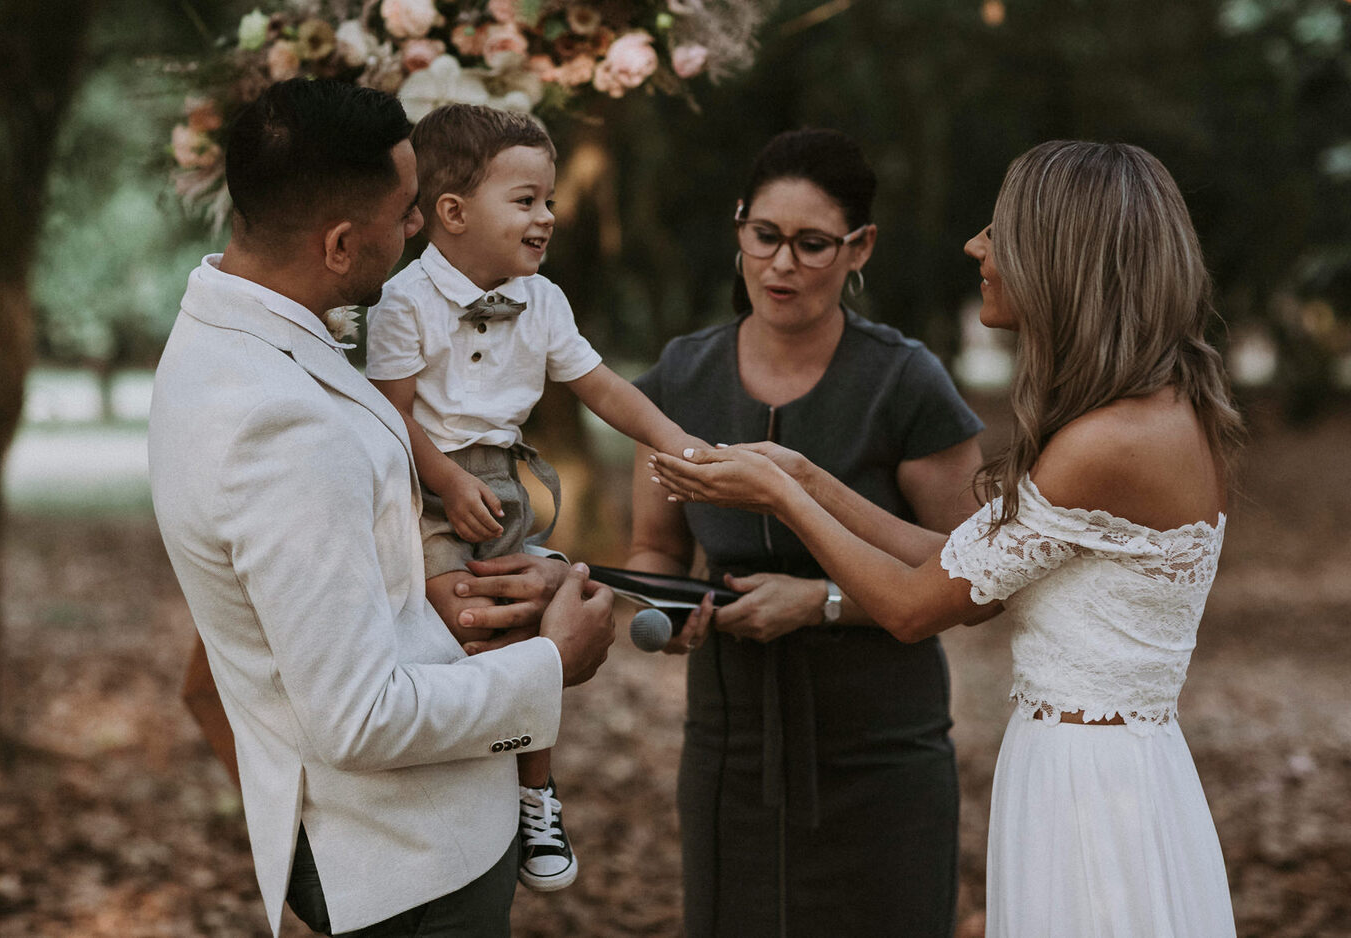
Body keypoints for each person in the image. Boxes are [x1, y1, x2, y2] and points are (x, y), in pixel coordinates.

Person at [651, 140, 1242, 937]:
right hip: (1104, 768)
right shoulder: (1154, 413)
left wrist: (783, 497)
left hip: (1092, 791)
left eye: (999, 230)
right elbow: (960, 556)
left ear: (1060, 257)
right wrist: (810, 478)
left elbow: (910, 608)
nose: (975, 246)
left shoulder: (1105, 445)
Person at [148, 78, 615, 938]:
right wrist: (552, 664)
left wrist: (459, 597)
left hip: (413, 835)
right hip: (408, 866)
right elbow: (359, 720)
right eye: (405, 214)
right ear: (338, 244)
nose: (419, 228)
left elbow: (337, 598)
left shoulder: (230, 330)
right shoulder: (278, 424)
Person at [625, 128, 985, 937]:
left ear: (861, 248)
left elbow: (974, 578)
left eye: (812, 244)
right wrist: (666, 609)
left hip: (881, 750)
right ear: (739, 227)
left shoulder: (905, 381)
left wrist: (820, 601)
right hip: (731, 745)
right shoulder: (682, 375)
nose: (780, 265)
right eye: (765, 236)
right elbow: (656, 546)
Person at [366, 103, 704, 893]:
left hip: (504, 486)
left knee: (531, 622)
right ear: (453, 213)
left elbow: (604, 387)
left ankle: (535, 794)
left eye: (547, 200)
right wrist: (448, 481)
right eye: (525, 200)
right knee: (470, 620)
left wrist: (679, 444)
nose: (547, 216)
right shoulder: (404, 300)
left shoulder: (543, 300)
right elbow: (388, 414)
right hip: (422, 485)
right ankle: (457, 788)